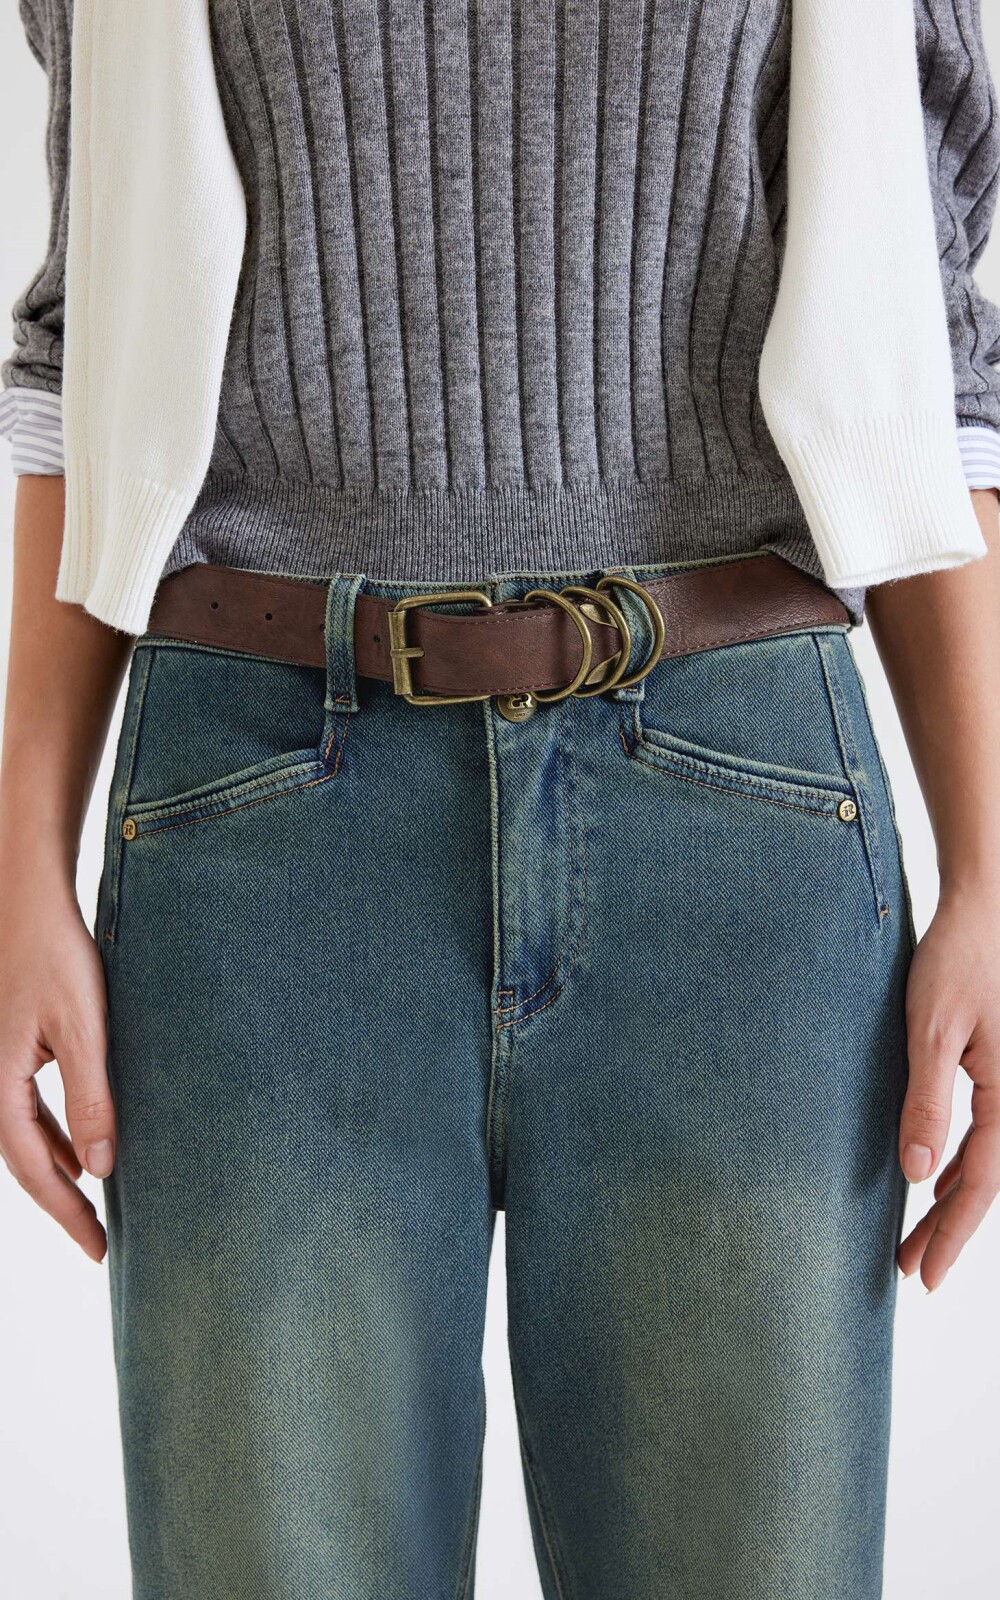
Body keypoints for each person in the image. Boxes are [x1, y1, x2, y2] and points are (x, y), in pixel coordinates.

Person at [1, 3, 999, 1597]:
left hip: (738, 822)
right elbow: (89, 344)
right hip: (258, 821)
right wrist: (21, 869)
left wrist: (993, 877)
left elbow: (931, 369)